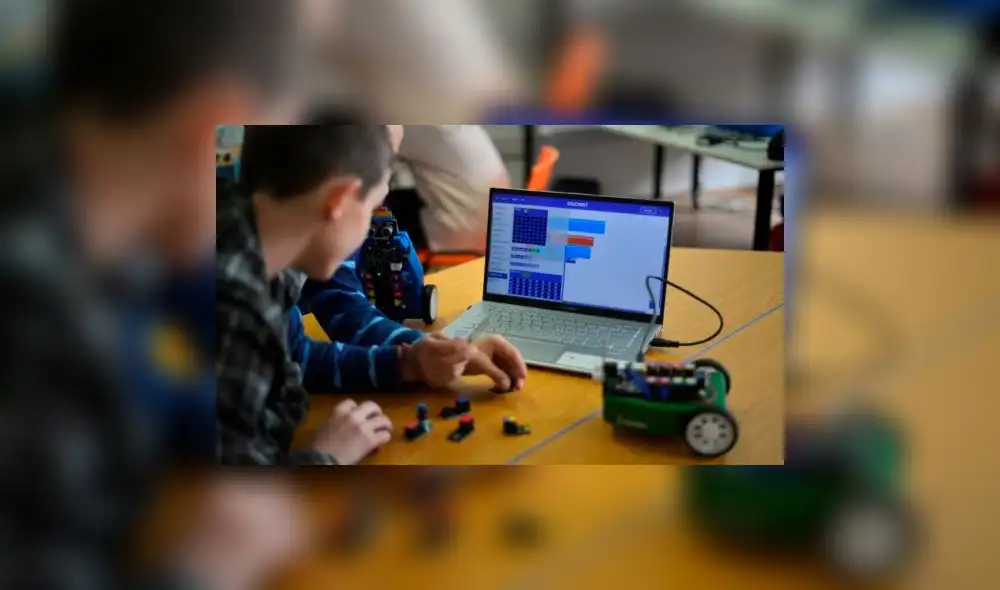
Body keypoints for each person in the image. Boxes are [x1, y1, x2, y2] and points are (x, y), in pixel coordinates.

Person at [1, 0, 315, 588]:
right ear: (209, 127)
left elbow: (159, 388)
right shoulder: (35, 320)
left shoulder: (112, 242)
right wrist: (208, 566)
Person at [216, 120, 527, 467]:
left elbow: (297, 358)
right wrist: (326, 457)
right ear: (339, 201)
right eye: (373, 206)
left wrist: (410, 363)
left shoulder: (262, 252)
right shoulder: (237, 305)